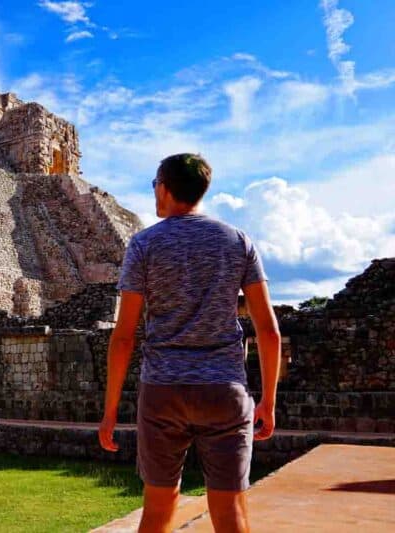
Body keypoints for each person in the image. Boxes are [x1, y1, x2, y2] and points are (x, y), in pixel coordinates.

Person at [98, 153, 281, 533]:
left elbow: (124, 336)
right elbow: (267, 330)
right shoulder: (237, 241)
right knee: (230, 511)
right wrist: (268, 401)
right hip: (224, 388)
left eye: (154, 186)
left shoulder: (144, 245)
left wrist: (111, 409)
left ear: (163, 188)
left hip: (163, 389)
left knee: (158, 510)